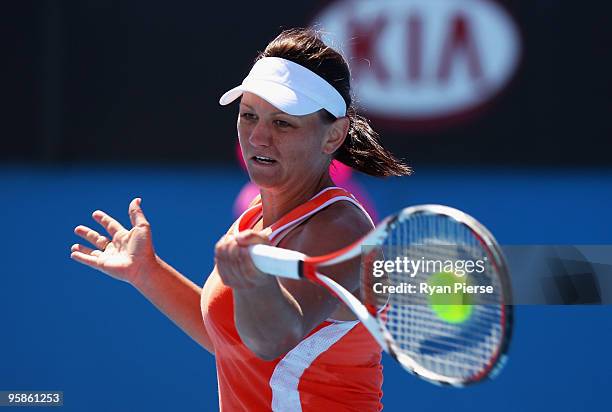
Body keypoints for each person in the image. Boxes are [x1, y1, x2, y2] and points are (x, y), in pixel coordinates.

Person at [70, 28, 410, 411]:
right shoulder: (255, 218)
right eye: (249, 116)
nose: (258, 137)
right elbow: (233, 343)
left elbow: (273, 341)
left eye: (283, 123)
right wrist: (147, 273)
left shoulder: (341, 231)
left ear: (333, 136)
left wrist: (254, 285)